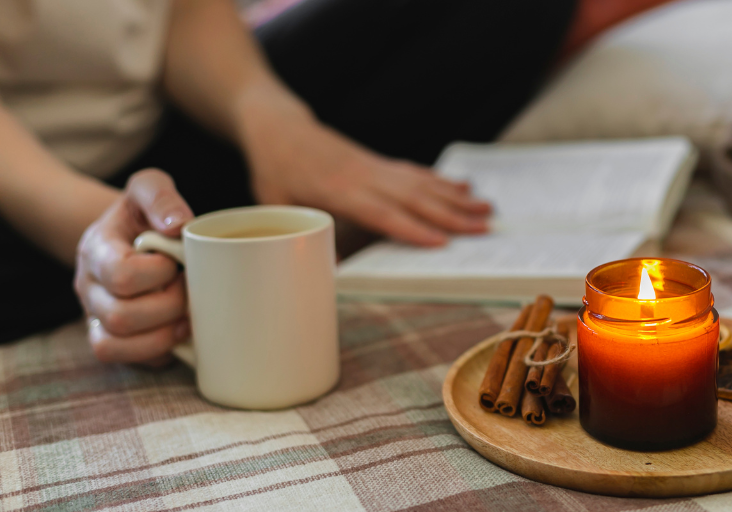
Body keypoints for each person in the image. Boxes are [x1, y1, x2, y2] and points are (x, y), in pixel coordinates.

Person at [0, 0, 577, 361]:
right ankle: (147, 268)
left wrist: (274, 122)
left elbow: (181, 11)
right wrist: (91, 226)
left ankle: (247, 222)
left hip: (173, 124)